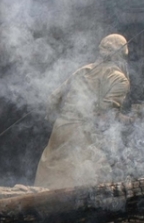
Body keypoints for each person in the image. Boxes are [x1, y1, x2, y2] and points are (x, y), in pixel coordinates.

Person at [34, 34, 130, 189]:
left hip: (61, 128)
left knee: (50, 178)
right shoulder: (119, 79)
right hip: (84, 134)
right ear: (122, 55)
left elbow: (53, 99)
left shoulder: (82, 70)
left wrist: (60, 120)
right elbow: (106, 116)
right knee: (81, 186)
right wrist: (130, 121)